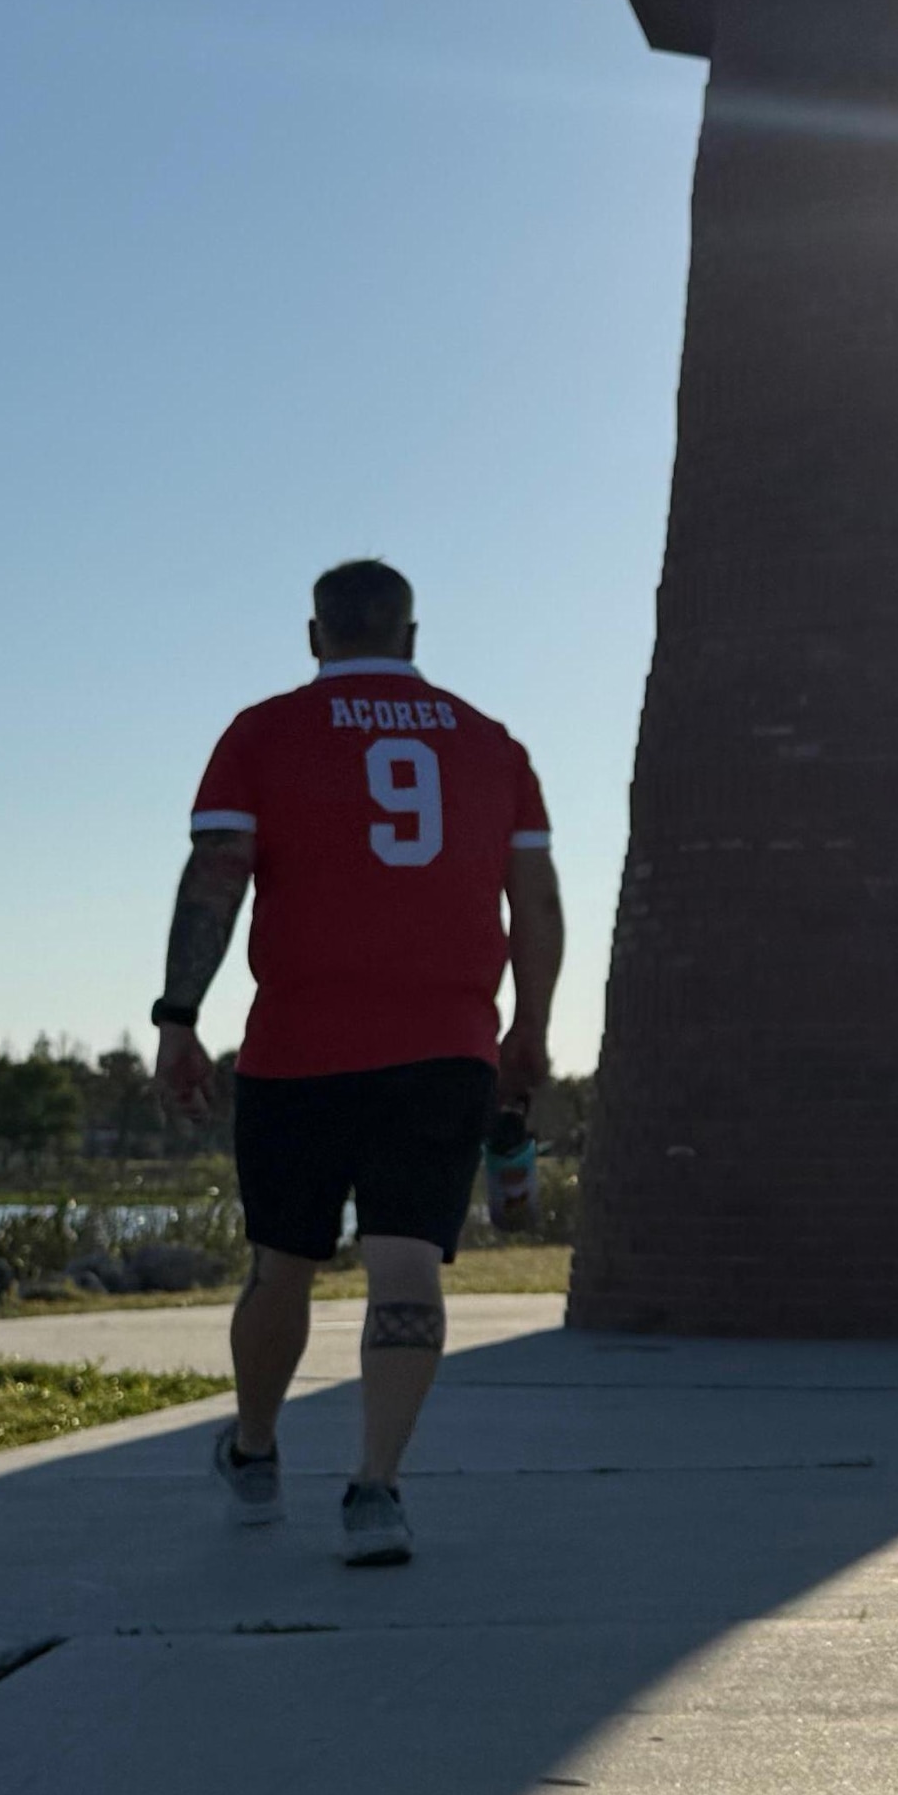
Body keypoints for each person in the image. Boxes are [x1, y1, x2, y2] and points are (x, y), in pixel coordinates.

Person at [151, 559, 563, 1569]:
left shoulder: (262, 734)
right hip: (445, 1048)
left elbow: (216, 877)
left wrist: (177, 1018)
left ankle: (255, 1452)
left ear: (314, 635)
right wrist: (530, 1028)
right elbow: (536, 901)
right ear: (410, 638)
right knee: (406, 1265)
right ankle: (376, 1490)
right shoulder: (492, 745)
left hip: (299, 1048)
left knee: (281, 1263)